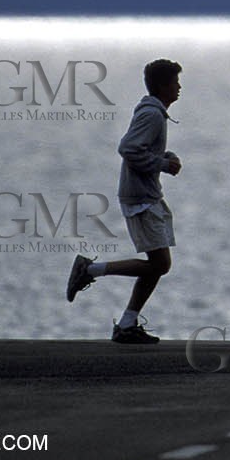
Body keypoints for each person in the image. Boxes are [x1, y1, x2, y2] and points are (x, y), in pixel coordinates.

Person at [66, 58, 183, 344]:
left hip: (146, 194)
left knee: (158, 264)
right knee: (160, 265)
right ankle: (89, 270)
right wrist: (163, 165)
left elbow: (139, 149)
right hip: (141, 198)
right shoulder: (153, 115)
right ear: (162, 86)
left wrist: (163, 159)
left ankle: (128, 323)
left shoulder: (155, 113)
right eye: (175, 82)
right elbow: (129, 148)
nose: (179, 87)